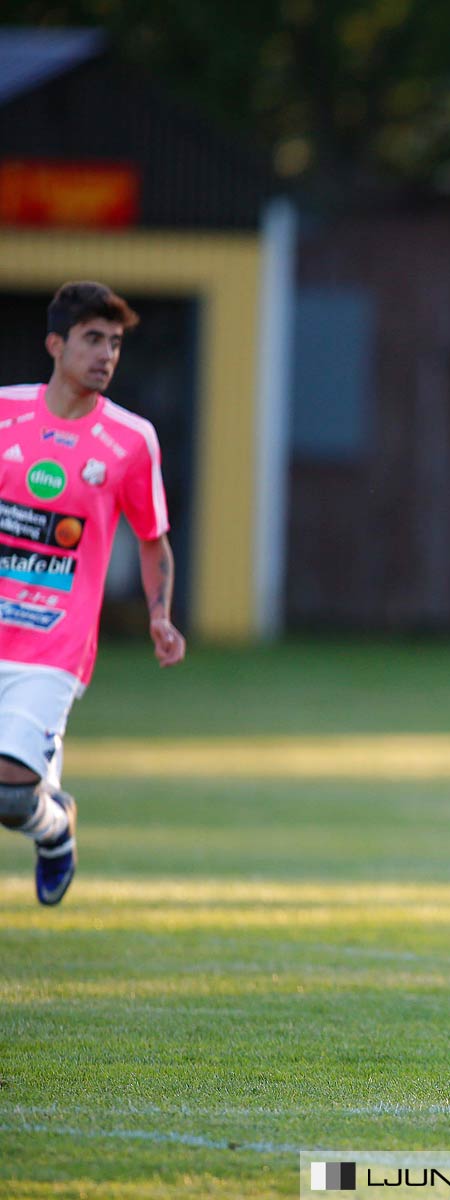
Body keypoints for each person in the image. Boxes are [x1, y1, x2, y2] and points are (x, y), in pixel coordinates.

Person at [0, 282, 185, 905]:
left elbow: (153, 540)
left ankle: (55, 830)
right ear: (56, 344)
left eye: (115, 343)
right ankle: (46, 797)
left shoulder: (132, 441)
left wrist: (161, 616)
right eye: (92, 340)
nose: (106, 354)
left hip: (55, 647)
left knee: (7, 796)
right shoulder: (4, 415)